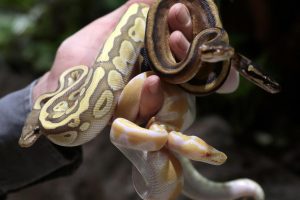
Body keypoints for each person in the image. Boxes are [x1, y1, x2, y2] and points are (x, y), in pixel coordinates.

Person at [0, 0, 239, 198]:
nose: (30, 137)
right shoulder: (72, 86)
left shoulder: (73, 82)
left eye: (34, 131)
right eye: (34, 131)